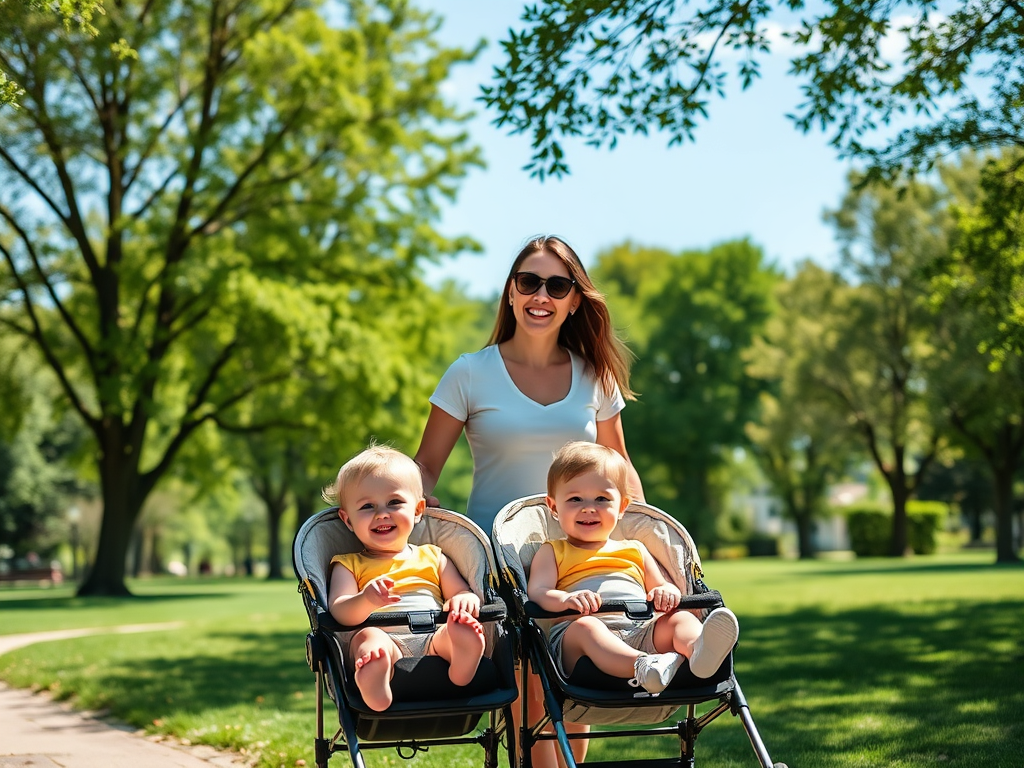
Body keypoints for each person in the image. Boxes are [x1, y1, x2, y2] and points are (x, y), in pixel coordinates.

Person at [414, 235, 643, 766]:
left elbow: (619, 463)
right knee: (528, 692)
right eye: (529, 281)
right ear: (512, 292)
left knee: (573, 679)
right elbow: (425, 465)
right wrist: (423, 509)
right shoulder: (470, 372)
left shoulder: (596, 375)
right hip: (499, 559)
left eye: (557, 286)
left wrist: (642, 530)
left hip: (579, 549)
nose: (542, 295)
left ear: (575, 300)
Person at [529, 441, 740, 693]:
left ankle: (698, 652)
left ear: (622, 507)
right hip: (578, 639)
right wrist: (566, 599)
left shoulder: (635, 549)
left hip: (640, 630)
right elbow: (538, 591)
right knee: (587, 628)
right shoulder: (553, 551)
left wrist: (665, 592)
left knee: (680, 618)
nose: (589, 508)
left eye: (601, 499)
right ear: (554, 507)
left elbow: (660, 585)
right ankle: (641, 666)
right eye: (575, 499)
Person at [326, 446, 485, 712]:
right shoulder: (348, 564)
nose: (382, 514)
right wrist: (366, 600)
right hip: (386, 639)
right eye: (367, 506)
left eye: (394, 502)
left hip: (433, 638)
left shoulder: (433, 556)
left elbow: (459, 591)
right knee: (368, 639)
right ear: (348, 520)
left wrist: (464, 599)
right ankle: (375, 677)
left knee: (454, 629)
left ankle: (462, 658)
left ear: (418, 509)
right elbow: (340, 610)